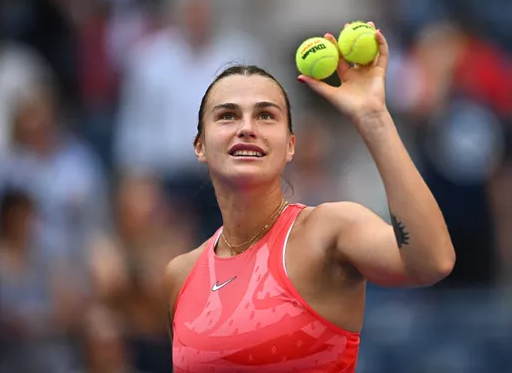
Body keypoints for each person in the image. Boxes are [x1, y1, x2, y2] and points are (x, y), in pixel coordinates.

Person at [164, 23, 455, 372]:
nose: (247, 127)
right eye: (227, 115)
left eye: (265, 115)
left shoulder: (329, 231)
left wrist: (373, 118)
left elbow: (432, 261)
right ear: (200, 146)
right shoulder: (180, 275)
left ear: (290, 146)